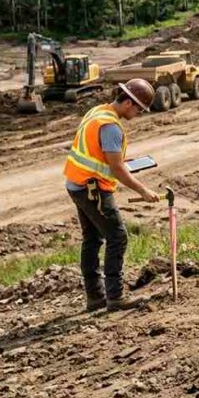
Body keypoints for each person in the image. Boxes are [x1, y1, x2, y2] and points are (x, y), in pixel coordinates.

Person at [63, 79, 161, 312]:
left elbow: (103, 156)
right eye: (138, 109)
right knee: (117, 237)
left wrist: (120, 164)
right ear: (128, 103)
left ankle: (96, 298)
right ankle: (115, 298)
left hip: (77, 183)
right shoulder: (111, 128)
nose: (138, 114)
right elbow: (116, 168)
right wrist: (143, 190)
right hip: (93, 189)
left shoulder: (98, 112)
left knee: (92, 239)